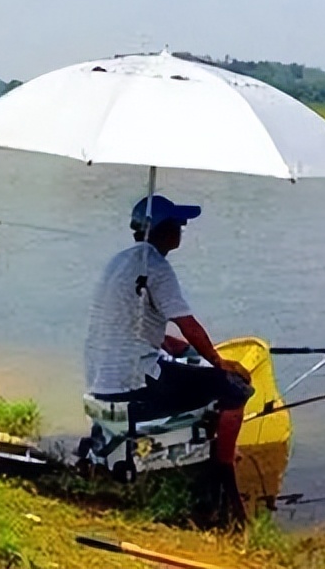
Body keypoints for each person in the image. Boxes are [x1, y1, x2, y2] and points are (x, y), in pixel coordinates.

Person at [84, 195, 254, 479]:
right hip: (133, 385)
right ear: (162, 228)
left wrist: (177, 346)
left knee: (188, 369)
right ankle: (223, 471)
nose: (181, 229)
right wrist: (217, 360)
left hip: (100, 378)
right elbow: (187, 323)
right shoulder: (155, 267)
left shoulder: (119, 262)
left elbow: (132, 323)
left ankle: (206, 451)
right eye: (177, 223)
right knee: (233, 388)